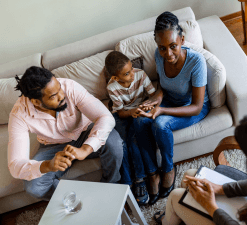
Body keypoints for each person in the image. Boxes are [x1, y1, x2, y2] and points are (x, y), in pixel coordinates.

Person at [155, 112, 247, 225]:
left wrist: (211, 207)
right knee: (191, 176)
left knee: (176, 197)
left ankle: (168, 221)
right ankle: (178, 215)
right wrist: (220, 188)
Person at [8, 66, 123, 200]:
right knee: (34, 187)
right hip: (52, 146)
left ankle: (111, 185)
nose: (62, 96)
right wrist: (48, 165)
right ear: (36, 102)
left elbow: (105, 117)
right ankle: (79, 200)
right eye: (53, 96)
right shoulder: (19, 114)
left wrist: (86, 149)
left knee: (114, 143)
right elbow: (15, 165)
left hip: (85, 131)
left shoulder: (70, 87)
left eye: (59, 88)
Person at [133, 11, 210, 205]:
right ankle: (152, 173)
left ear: (182, 39)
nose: (168, 54)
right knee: (140, 119)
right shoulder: (158, 56)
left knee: (160, 124)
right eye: (162, 48)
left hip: (192, 107)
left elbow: (196, 106)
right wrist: (155, 99)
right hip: (170, 100)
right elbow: (163, 86)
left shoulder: (196, 62)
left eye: (173, 46)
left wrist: (162, 110)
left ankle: (168, 169)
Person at [105, 51, 156, 205]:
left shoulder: (140, 75)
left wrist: (145, 108)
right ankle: (127, 183)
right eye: (127, 73)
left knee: (134, 140)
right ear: (115, 77)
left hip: (141, 110)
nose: (132, 74)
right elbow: (120, 112)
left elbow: (154, 96)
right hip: (122, 115)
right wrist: (131, 112)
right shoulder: (112, 87)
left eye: (131, 68)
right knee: (122, 146)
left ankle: (140, 179)